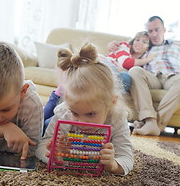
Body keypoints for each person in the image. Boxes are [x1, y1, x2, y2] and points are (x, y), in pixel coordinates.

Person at [36, 43, 134, 175]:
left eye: (91, 114)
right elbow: (40, 147)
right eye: (75, 113)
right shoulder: (64, 113)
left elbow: (127, 159)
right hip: (54, 123)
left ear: (112, 102)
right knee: (44, 123)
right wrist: (53, 156)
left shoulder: (117, 119)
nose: (82, 122)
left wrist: (113, 165)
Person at [43, 31, 154, 134]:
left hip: (112, 75)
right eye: (138, 40)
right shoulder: (123, 48)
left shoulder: (148, 59)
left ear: (148, 48)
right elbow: (126, 62)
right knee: (47, 123)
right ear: (133, 41)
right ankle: (63, 89)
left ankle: (66, 90)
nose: (140, 43)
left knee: (126, 77)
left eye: (144, 42)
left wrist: (145, 61)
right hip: (104, 66)